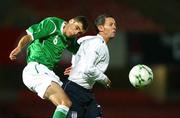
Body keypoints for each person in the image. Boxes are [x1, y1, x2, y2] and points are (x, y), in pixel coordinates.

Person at [9, 16, 89, 118]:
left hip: (47, 73)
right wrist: (19, 47)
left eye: (79, 33)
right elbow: (29, 36)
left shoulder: (70, 40)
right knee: (65, 103)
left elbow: (81, 54)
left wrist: (76, 66)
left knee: (70, 111)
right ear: (71, 21)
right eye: (76, 28)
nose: (75, 33)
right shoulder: (53, 24)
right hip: (36, 69)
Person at [63, 14, 117, 118]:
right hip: (74, 91)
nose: (114, 27)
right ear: (100, 28)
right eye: (111, 24)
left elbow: (77, 45)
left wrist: (75, 65)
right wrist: (104, 79)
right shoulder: (97, 43)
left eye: (115, 24)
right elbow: (88, 68)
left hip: (86, 91)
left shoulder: (90, 40)